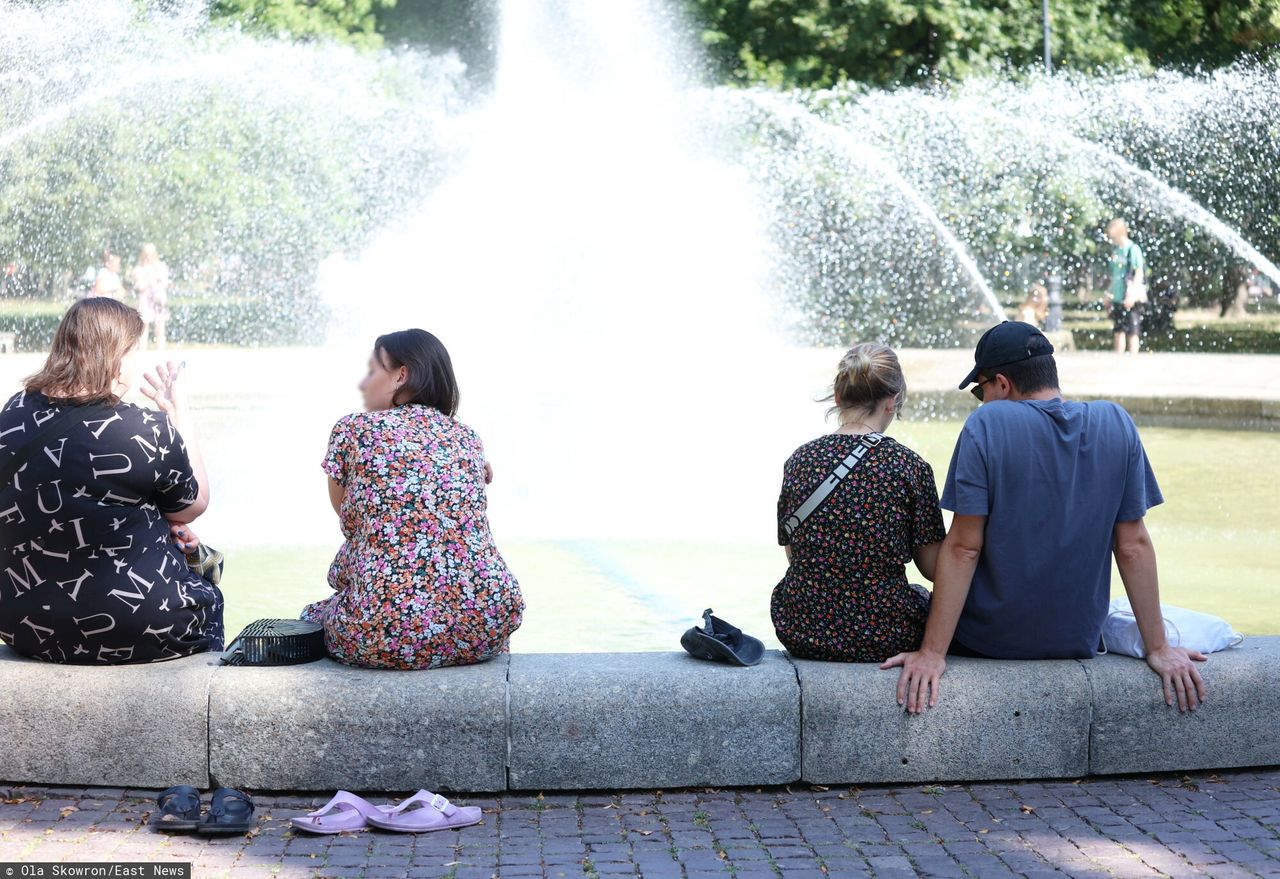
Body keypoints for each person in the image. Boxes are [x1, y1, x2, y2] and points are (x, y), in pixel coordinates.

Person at [882, 321, 1207, 714]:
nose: (980, 401)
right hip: (1077, 640)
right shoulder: (1116, 423)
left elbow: (964, 546)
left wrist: (932, 653)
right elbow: (1133, 544)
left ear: (1001, 384)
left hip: (988, 640)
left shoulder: (987, 425)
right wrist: (1159, 648)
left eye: (979, 390)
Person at [0, 298, 221, 664]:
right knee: (207, 589)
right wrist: (181, 415)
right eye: (134, 351)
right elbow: (192, 504)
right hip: (139, 624)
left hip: (25, 626)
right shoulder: (145, 428)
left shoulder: (12, 414)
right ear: (117, 358)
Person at [302, 329, 523, 669]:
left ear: (401, 375)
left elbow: (349, 521)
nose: (363, 384)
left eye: (373, 370)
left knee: (312, 617)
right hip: (487, 622)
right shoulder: (468, 438)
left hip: (384, 627)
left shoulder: (353, 429)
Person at [771, 343, 945, 662]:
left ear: (838, 397)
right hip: (887, 632)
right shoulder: (910, 467)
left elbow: (795, 553)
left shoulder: (800, 460)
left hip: (802, 628)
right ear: (892, 402)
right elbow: (934, 569)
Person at [1106, 219, 1146, 354]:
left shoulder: (1133, 249)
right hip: (1117, 298)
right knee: (1118, 331)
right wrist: (1108, 293)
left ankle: (1133, 362)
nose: (1109, 236)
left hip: (1131, 297)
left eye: (1111, 232)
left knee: (1133, 332)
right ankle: (1119, 362)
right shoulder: (1116, 251)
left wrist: (1132, 294)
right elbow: (1114, 275)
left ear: (1118, 232)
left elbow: (1139, 272)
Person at [129, 243, 171, 350]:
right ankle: (142, 349)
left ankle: (160, 350)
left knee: (160, 325)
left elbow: (165, 283)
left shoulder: (161, 266)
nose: (149, 257)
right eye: (146, 254)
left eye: (151, 254)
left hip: (158, 298)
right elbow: (138, 286)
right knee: (144, 324)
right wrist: (150, 279)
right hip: (145, 299)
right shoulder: (139, 269)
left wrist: (154, 278)